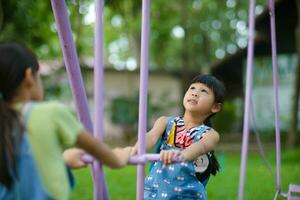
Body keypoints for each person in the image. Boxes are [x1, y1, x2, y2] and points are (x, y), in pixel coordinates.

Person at [0, 42, 133, 200]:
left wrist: (62, 161)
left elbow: (17, 165)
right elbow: (95, 147)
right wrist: (117, 159)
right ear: (29, 77)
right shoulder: (50, 113)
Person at [132, 74, 225, 200]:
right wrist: (138, 147)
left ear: (215, 107)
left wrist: (179, 156)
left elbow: (200, 146)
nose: (195, 93)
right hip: (155, 191)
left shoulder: (210, 134)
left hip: (187, 195)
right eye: (192, 88)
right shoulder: (165, 122)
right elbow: (151, 136)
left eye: (203, 91)